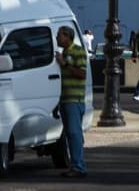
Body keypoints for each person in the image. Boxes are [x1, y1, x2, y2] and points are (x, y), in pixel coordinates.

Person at [55, 26, 88, 178]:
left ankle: (78, 167)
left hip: (75, 99)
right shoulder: (65, 53)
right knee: (71, 133)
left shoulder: (78, 51)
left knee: (74, 133)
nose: (57, 38)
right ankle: (76, 163)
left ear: (68, 36)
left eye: (59, 36)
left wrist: (64, 64)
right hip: (65, 99)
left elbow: (82, 74)